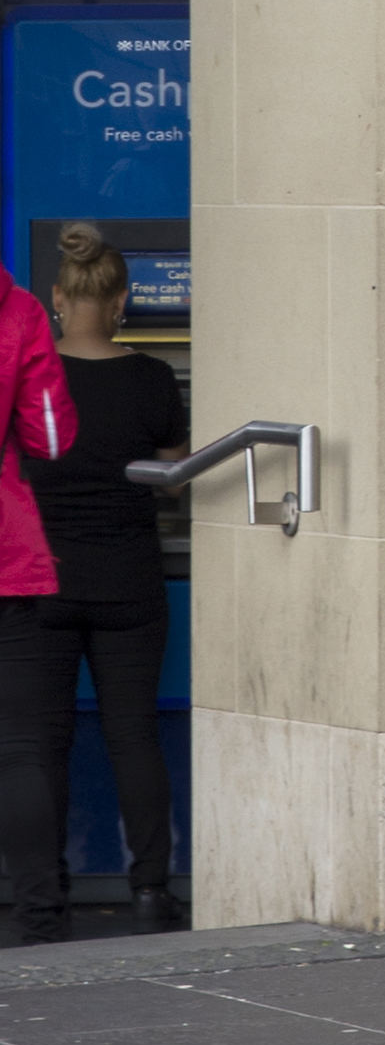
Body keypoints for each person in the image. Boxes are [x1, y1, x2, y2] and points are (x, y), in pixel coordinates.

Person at [18, 226, 188, 935]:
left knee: (33, 746)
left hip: (37, 586)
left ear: (57, 299)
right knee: (133, 736)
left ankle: (41, 903)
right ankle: (150, 891)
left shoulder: (30, 378)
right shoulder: (150, 378)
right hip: (128, 582)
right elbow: (175, 472)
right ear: (120, 301)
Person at [0, 266, 79, 947]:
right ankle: (37, 912)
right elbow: (50, 437)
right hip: (8, 560)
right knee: (19, 750)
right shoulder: (17, 308)